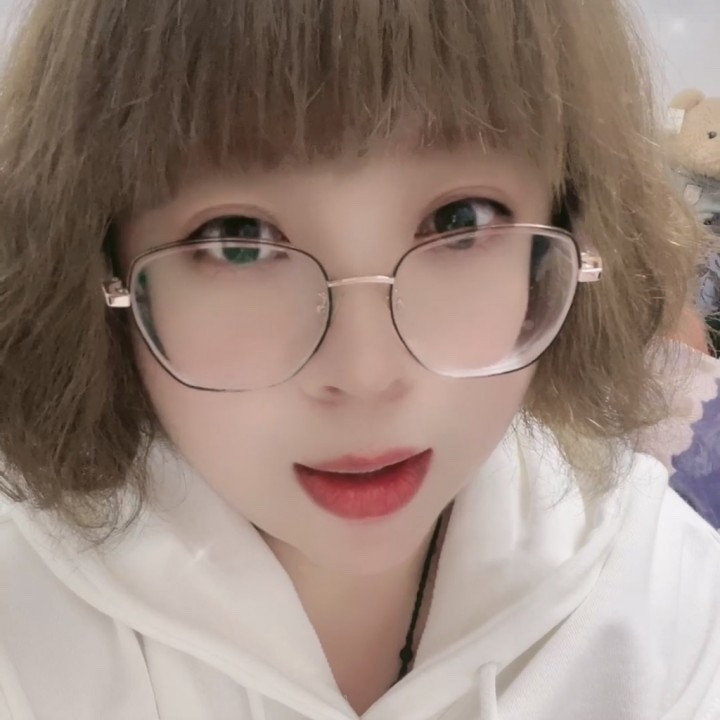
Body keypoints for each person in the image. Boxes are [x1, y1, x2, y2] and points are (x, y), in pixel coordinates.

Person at [0, 1, 718, 718]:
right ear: (100, 264)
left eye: (460, 221)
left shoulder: (662, 602)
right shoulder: (26, 622)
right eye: (238, 238)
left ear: (563, 231)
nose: (367, 374)